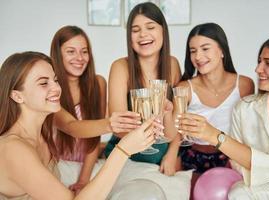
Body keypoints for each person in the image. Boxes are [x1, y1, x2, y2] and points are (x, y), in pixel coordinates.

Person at [0, 51, 162, 200]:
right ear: (17, 96)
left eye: (55, 80)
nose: (56, 88)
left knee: (148, 189)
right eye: (43, 83)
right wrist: (122, 150)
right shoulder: (14, 149)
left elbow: (74, 126)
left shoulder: (40, 133)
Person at [177, 33, 269, 199]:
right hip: (262, 186)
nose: (258, 69)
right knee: (238, 192)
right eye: (259, 62)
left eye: (268, 63)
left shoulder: (242, 86)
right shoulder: (244, 108)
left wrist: (213, 135)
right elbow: (236, 162)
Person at [50, 25, 145, 193]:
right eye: (71, 51)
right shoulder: (51, 88)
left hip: (87, 162)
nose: (79, 58)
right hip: (58, 163)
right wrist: (110, 123)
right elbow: (71, 126)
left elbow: (94, 139)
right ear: (58, 54)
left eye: (84, 51)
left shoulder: (98, 84)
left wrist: (84, 180)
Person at [161, 23, 254, 176]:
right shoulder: (185, 88)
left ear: (222, 50)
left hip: (231, 156)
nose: (198, 56)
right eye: (193, 51)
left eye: (205, 49)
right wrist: (171, 155)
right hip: (193, 155)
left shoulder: (245, 85)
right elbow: (177, 128)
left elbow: (247, 128)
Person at [105, 2, 181, 165]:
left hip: (162, 157)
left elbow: (175, 126)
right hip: (126, 155)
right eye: (135, 30)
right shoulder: (120, 67)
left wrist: (173, 152)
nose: (143, 35)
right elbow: (120, 129)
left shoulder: (172, 65)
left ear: (163, 30)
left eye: (150, 27)